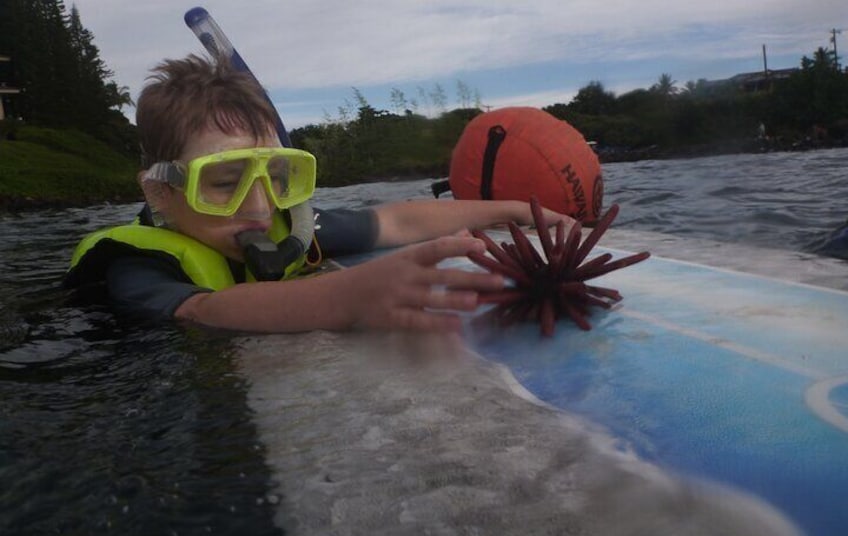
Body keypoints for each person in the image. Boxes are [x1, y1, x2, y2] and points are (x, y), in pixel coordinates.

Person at [64, 55, 575, 333]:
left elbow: (396, 222)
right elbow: (202, 311)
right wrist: (347, 296)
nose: (261, 206)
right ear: (160, 191)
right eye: (224, 182)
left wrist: (516, 210)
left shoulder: (291, 230)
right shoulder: (135, 267)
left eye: (277, 177)